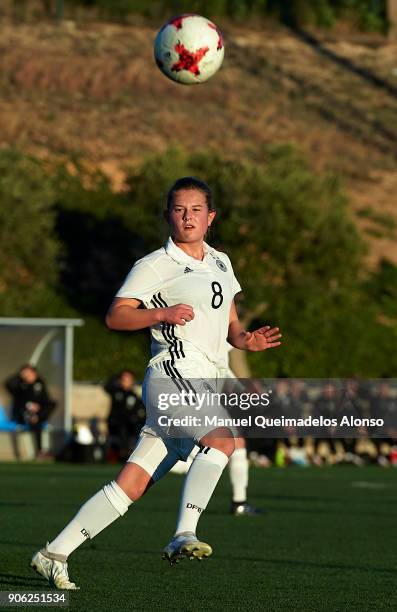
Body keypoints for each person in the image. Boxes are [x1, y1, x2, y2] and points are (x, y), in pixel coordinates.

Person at [31, 176, 282, 589]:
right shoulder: (155, 264)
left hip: (202, 379)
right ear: (169, 216)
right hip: (173, 373)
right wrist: (158, 315)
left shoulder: (221, 261)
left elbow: (230, 325)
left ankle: (53, 553)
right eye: (180, 209)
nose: (188, 217)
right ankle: (183, 533)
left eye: (196, 210)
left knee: (132, 483)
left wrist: (245, 341)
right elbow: (116, 315)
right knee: (222, 440)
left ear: (210, 217)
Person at [5, 364, 56, 459]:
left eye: (29, 373)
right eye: (25, 374)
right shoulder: (20, 385)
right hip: (23, 414)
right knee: (36, 422)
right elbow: (8, 385)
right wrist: (19, 376)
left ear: (34, 373)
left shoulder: (40, 384)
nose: (28, 376)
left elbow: (46, 400)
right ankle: (40, 451)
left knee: (51, 405)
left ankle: (37, 418)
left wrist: (38, 407)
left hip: (38, 414)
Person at [104, 369, 145, 462]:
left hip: (130, 426)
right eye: (124, 379)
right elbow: (106, 386)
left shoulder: (134, 396)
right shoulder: (115, 392)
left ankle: (127, 454)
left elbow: (139, 411)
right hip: (115, 424)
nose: (126, 382)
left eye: (128, 379)